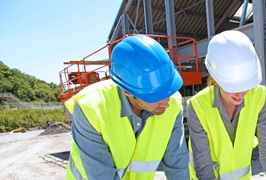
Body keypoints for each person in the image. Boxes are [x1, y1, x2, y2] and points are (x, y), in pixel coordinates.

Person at [65, 35, 189, 179]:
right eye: (155, 96)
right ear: (127, 91)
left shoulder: (173, 103)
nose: (166, 103)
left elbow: (177, 163)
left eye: (167, 92)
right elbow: (101, 176)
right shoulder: (90, 108)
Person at [187, 30, 266, 180]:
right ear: (216, 78)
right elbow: (203, 166)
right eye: (232, 87)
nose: (240, 94)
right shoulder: (198, 106)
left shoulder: (259, 96)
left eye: (245, 85)